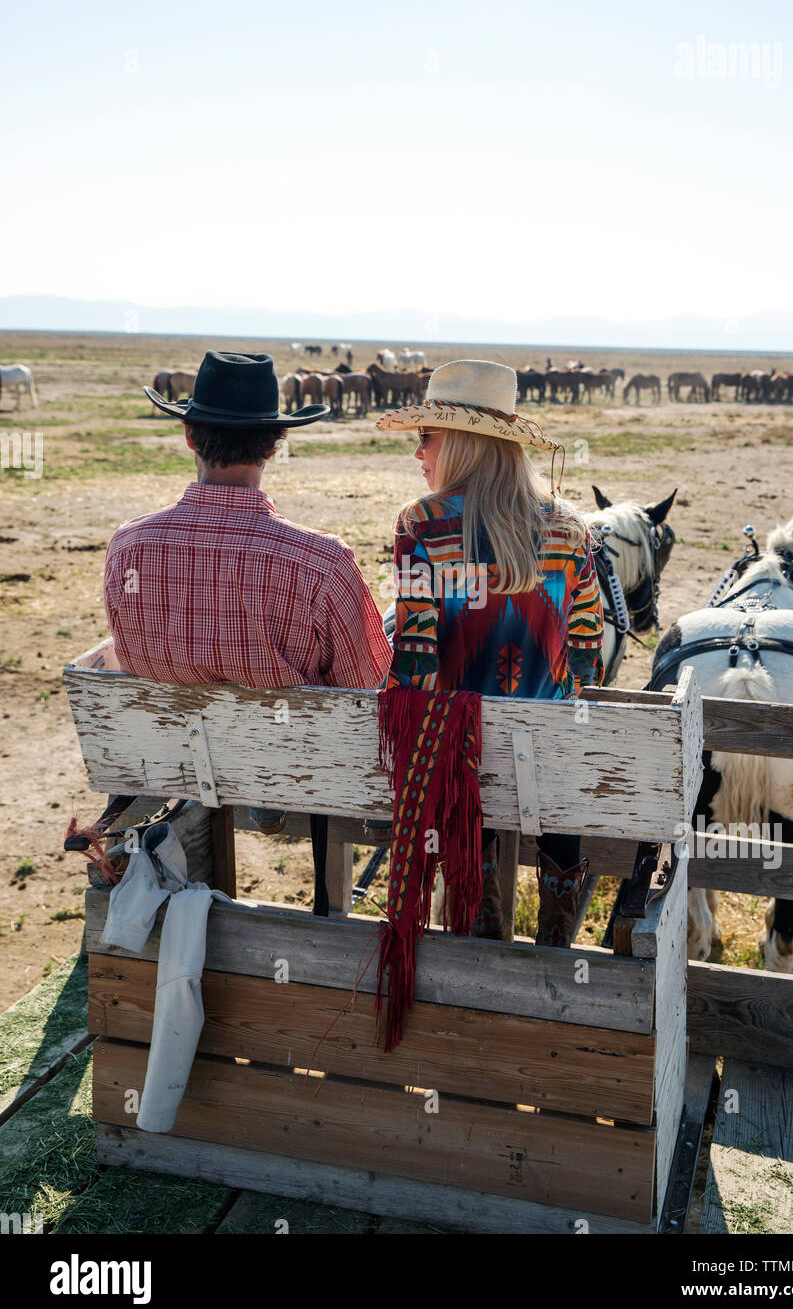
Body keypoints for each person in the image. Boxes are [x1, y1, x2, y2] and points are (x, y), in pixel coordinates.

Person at [103, 350, 392, 844]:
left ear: (190, 436)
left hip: (179, 760)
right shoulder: (321, 560)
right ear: (275, 446)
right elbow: (366, 692)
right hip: (302, 765)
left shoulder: (128, 545)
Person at [376, 359, 605, 947]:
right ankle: (556, 944)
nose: (418, 452)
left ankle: (482, 939)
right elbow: (586, 660)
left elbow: (416, 667)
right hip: (552, 767)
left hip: (464, 767)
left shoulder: (421, 526)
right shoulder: (572, 529)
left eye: (426, 436)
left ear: (460, 441)